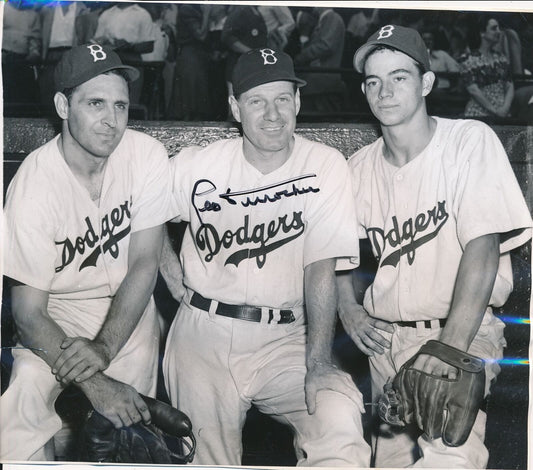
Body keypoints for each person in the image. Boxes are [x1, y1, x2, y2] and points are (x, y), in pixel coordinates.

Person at [160, 48, 371, 466]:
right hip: (204, 334)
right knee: (206, 460)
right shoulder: (199, 164)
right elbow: (143, 216)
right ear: (236, 107)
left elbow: (321, 267)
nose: (272, 114)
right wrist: (169, 271)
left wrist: (318, 362)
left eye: (282, 99)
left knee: (339, 419)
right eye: (257, 101)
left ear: (298, 102)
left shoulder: (325, 165)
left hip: (289, 338)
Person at [338, 25, 532, 468]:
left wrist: (449, 349)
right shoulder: (357, 168)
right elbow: (336, 254)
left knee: (450, 457)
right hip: (384, 342)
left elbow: (482, 250)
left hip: (461, 331)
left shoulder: (468, 141)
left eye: (399, 77)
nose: (384, 91)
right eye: (373, 81)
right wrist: (350, 310)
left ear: (426, 82)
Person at [1, 43, 173, 461]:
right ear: (63, 104)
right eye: (95, 103)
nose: (111, 121)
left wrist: (105, 349)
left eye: (120, 106)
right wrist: (97, 383)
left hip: (128, 310)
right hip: (55, 313)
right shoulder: (34, 183)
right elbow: (27, 313)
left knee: (129, 433)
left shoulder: (145, 154)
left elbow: (145, 263)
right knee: (20, 407)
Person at [294, 7, 347, 113]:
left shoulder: (332, 18)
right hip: (318, 82)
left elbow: (326, 45)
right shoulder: (324, 20)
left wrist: (301, 57)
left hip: (323, 82)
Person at [460, 15, 514, 119]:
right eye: (494, 28)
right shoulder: (468, 59)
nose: (498, 31)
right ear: (482, 32)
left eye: (499, 28)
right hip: (479, 113)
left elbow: (510, 85)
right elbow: (473, 90)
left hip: (502, 113)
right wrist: (495, 111)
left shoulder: (501, 58)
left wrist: (505, 108)